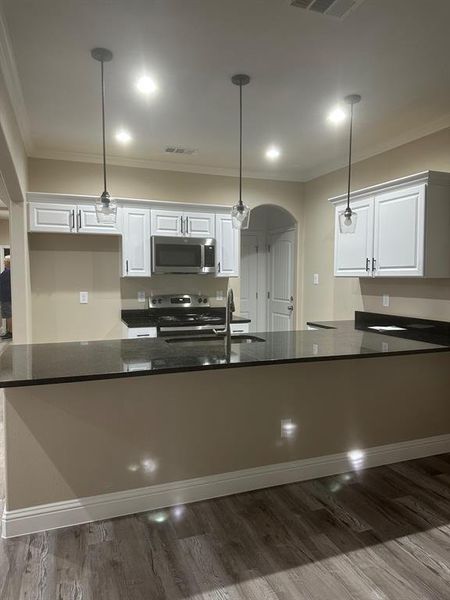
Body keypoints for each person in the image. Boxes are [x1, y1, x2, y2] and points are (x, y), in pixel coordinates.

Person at [0, 255, 12, 339]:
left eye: (5, 262)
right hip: (6, 297)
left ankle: (10, 332)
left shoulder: (8, 272)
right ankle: (9, 331)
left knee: (8, 315)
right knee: (7, 315)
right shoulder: (8, 272)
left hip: (6, 297)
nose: (4, 263)